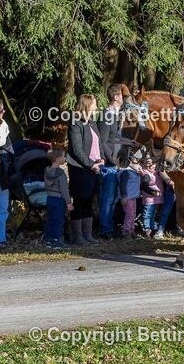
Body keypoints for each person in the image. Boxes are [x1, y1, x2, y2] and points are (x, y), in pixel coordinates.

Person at [66, 94, 102, 244]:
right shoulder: (75, 123)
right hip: (80, 168)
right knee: (80, 200)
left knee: (89, 200)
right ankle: (77, 235)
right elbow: (77, 149)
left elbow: (98, 143)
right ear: (87, 105)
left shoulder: (92, 123)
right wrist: (90, 164)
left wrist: (101, 159)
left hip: (94, 168)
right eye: (94, 104)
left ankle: (88, 234)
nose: (97, 107)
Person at [96, 84, 124, 238]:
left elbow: (116, 137)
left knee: (114, 197)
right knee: (108, 197)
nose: (125, 98)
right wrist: (112, 159)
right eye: (122, 95)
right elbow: (103, 140)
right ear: (116, 96)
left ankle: (111, 225)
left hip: (118, 161)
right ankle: (105, 228)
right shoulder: (107, 115)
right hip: (109, 163)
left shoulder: (118, 115)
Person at [43, 148, 73, 249]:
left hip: (49, 198)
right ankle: (57, 240)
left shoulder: (47, 171)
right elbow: (64, 189)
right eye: (63, 156)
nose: (65, 158)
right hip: (59, 199)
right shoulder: (61, 174)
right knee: (59, 220)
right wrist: (69, 202)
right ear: (57, 159)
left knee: (50, 219)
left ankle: (49, 240)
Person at [139, 156, 167, 238]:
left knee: (153, 214)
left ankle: (151, 228)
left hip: (156, 199)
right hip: (149, 198)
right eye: (150, 165)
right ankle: (147, 228)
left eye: (153, 165)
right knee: (147, 213)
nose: (153, 166)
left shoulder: (156, 173)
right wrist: (154, 192)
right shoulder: (146, 175)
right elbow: (144, 187)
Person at [118, 149, 142, 238]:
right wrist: (124, 196)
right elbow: (123, 185)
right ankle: (126, 231)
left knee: (133, 214)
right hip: (127, 197)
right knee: (129, 214)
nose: (138, 164)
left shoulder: (135, 172)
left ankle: (132, 230)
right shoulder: (126, 172)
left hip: (133, 196)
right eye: (135, 162)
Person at [0, 101, 11, 249]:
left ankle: (1, 238)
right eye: (1, 111)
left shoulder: (4, 126)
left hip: (3, 172)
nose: (3, 113)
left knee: (3, 207)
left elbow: (7, 147)